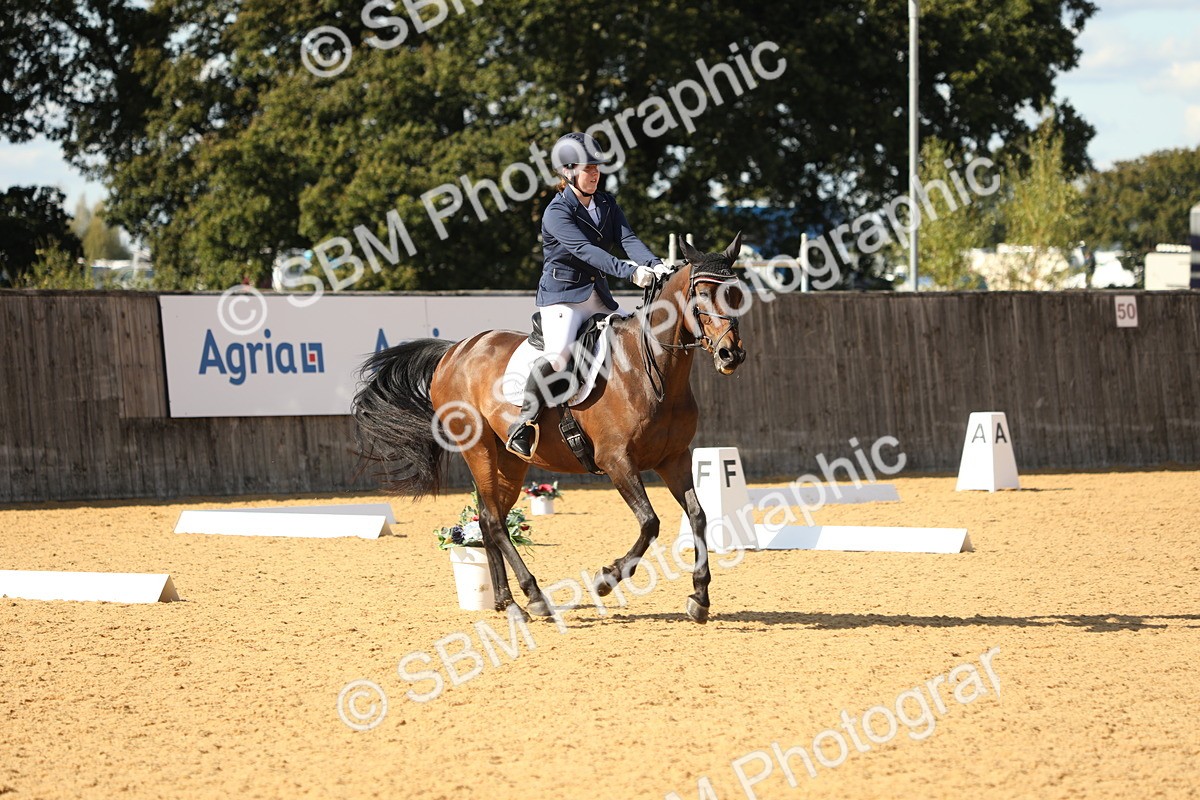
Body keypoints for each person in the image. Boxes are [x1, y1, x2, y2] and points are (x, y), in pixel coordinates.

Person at [505, 132, 672, 459]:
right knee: (558, 357)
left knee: (629, 343)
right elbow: (586, 252)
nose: (595, 173)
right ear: (567, 172)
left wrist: (654, 264)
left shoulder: (607, 203)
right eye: (587, 168)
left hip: (596, 294)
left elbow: (628, 238)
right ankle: (524, 421)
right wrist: (630, 272)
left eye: (597, 167)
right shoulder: (556, 212)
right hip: (562, 296)